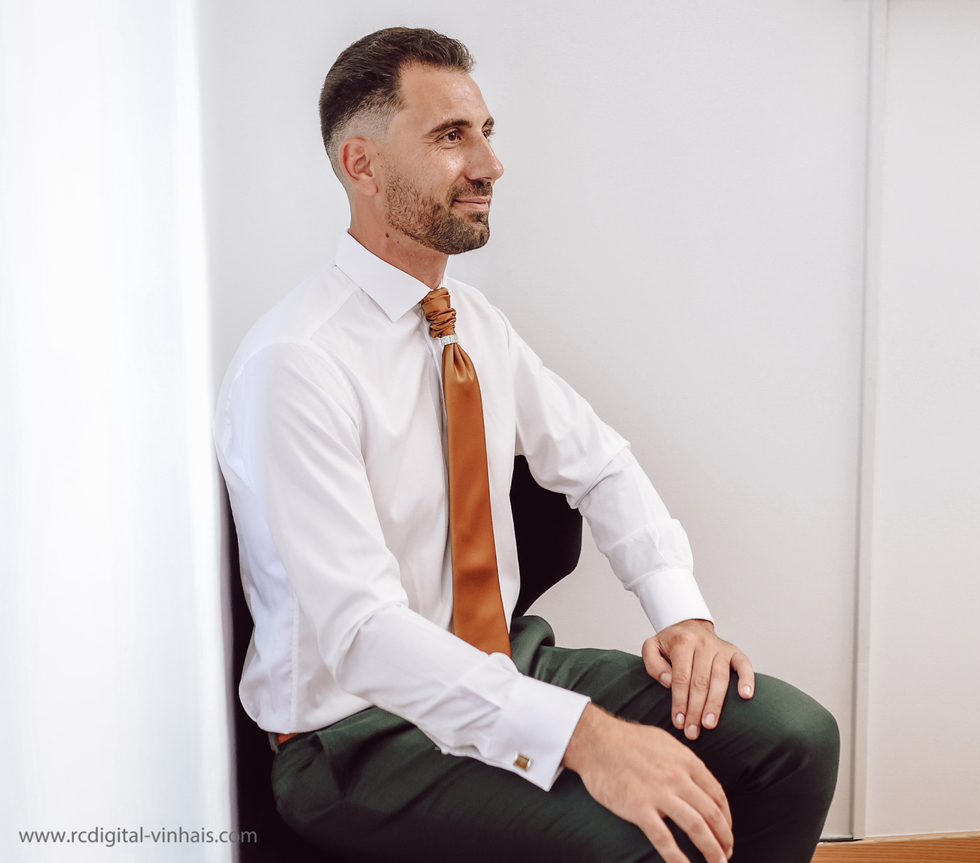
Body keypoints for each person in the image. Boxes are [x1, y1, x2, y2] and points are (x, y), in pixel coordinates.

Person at [214, 26, 839, 863]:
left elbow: (601, 462)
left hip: (508, 662)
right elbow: (363, 632)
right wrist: (586, 737)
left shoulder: (472, 325)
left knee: (797, 738)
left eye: (486, 131)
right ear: (362, 164)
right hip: (361, 736)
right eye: (451, 136)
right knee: (639, 837)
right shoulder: (294, 364)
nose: (490, 164)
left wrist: (682, 614)